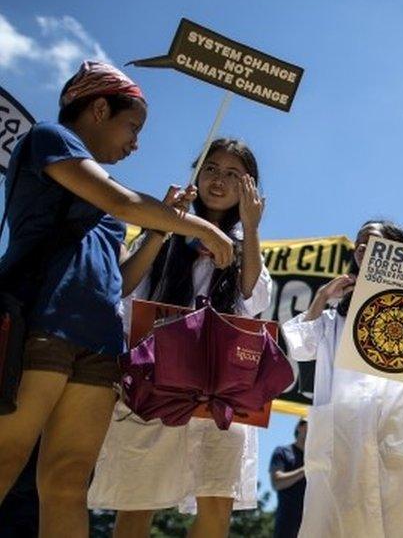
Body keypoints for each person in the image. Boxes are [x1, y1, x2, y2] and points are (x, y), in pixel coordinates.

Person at [0, 61, 233, 538]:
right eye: (133, 126)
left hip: (100, 345)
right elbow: (123, 202)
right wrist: (201, 226)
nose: (136, 143)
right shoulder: (50, 137)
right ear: (99, 109)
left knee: (68, 482)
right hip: (37, 324)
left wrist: (160, 228)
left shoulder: (107, 205)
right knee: (5, 457)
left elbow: (121, 282)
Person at [87, 138, 271, 538]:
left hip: (220, 394)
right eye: (211, 169)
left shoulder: (247, 245)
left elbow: (252, 300)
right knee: (137, 500)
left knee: (216, 502)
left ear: (250, 188)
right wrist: (164, 224)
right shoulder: (165, 229)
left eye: (233, 175)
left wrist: (251, 229)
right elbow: (126, 292)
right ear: (196, 173)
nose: (219, 180)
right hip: (156, 383)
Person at [281, 220, 403, 537]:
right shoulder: (334, 319)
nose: (363, 248)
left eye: (374, 243)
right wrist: (322, 297)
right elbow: (301, 346)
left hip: (401, 441)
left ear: (399, 254)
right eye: (359, 243)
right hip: (342, 442)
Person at [270, 418, 308, 538]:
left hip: (312, 522)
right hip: (288, 524)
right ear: (299, 427)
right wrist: (305, 470)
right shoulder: (282, 452)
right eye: (311, 423)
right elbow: (277, 482)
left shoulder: (317, 457)